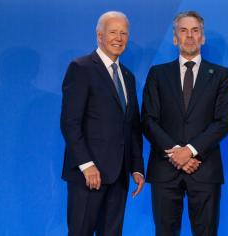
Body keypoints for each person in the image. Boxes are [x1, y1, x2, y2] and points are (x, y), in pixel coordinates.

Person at [141, 11, 228, 236]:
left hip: (204, 167)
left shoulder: (220, 75)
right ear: (175, 38)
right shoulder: (157, 74)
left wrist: (190, 151)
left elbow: (222, 122)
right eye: (183, 30)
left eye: (195, 31)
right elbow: (149, 120)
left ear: (203, 37)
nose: (189, 36)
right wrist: (176, 154)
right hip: (165, 169)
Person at [60, 11, 144, 236]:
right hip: (89, 175)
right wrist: (86, 165)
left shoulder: (127, 76)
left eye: (124, 33)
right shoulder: (81, 68)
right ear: (99, 35)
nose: (119, 38)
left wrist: (136, 166)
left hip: (119, 175)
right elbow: (70, 123)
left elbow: (132, 126)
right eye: (113, 32)